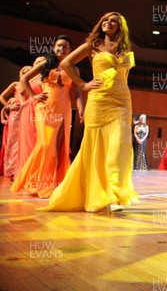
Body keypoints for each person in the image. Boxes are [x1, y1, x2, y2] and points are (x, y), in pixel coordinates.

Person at [41, 12, 138, 212]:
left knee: (119, 146)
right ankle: (101, 194)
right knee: (96, 148)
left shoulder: (125, 49)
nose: (108, 22)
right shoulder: (93, 45)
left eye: (113, 21)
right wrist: (83, 85)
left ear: (120, 27)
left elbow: (125, 76)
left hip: (121, 101)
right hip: (98, 100)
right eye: (105, 19)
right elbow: (66, 63)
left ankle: (114, 190)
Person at [12, 36, 84, 198]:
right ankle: (39, 182)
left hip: (64, 109)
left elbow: (77, 90)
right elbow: (24, 79)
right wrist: (33, 96)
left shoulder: (73, 68)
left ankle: (55, 182)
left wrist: (80, 107)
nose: (61, 49)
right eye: (59, 46)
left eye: (65, 47)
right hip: (45, 108)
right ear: (54, 48)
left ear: (70, 50)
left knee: (60, 146)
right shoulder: (46, 64)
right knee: (46, 144)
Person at [0, 67, 30, 179]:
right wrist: (8, 106)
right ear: (20, 74)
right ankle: (11, 169)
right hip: (15, 113)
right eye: (24, 73)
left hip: (26, 113)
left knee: (23, 141)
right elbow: (1, 96)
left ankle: (21, 169)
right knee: (13, 141)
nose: (26, 75)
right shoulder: (16, 84)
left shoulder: (31, 84)